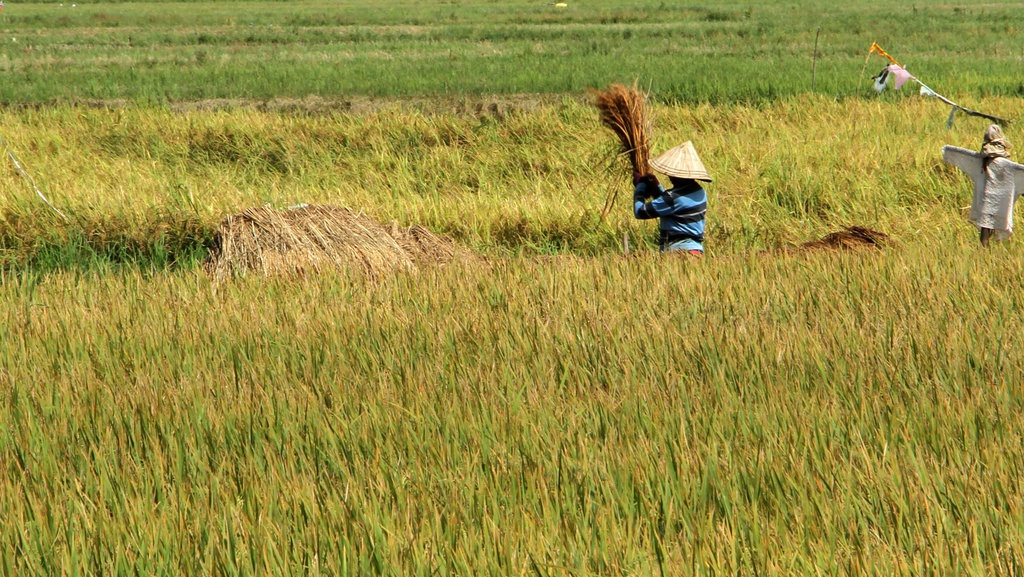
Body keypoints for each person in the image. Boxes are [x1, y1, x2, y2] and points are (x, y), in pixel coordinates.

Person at [942, 125, 1024, 246]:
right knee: (988, 233)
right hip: (999, 202)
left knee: (984, 236)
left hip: (985, 201)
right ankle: (986, 255)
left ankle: (985, 253)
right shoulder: (1006, 165)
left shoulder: (980, 161)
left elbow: (962, 153)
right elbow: (1020, 170)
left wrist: (947, 151)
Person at [632, 141, 711, 255]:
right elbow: (671, 207)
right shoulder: (699, 191)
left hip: (679, 252)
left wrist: (640, 187)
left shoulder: (673, 198)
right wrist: (656, 187)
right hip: (696, 250)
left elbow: (640, 212)